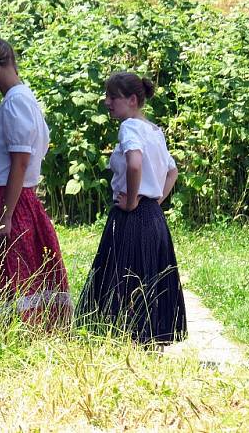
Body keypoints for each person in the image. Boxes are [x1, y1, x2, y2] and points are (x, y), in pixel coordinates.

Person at [76, 71, 187, 346]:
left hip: (132, 215)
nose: (107, 102)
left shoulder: (130, 128)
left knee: (125, 277)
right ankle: (149, 342)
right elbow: (172, 171)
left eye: (113, 97)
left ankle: (123, 341)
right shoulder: (154, 130)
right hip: (153, 217)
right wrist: (155, 200)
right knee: (150, 276)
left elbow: (135, 163)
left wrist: (133, 200)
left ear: (133, 100)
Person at [0, 38, 72, 327]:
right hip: (14, 197)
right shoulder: (21, 99)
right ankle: (10, 334)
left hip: (5, 199)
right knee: (15, 270)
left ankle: (12, 334)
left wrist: (6, 214)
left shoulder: (16, 102)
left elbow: (21, 161)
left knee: (11, 271)